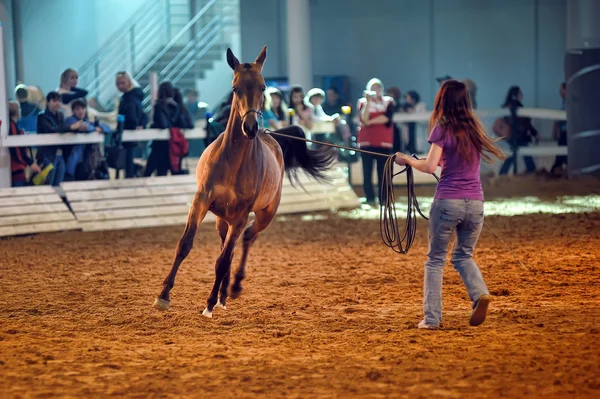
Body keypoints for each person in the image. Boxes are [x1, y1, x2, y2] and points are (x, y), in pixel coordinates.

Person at [394, 80, 505, 329]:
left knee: (435, 260)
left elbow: (430, 167)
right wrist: (423, 161)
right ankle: (479, 294)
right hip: (475, 202)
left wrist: (407, 161)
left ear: (442, 100)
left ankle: (432, 318)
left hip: (447, 201)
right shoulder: (474, 129)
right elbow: (451, 162)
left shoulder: (442, 128)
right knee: (463, 256)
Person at [357, 78, 395, 206]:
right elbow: (363, 118)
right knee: (367, 172)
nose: (375, 90)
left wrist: (370, 122)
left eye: (378, 87)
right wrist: (368, 103)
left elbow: (387, 118)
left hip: (383, 142)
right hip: (366, 142)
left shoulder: (388, 101)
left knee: (383, 172)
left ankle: (384, 199)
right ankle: (370, 198)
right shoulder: (362, 102)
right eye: (373, 87)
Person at [495, 86, 539, 175]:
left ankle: (502, 174)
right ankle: (532, 171)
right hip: (518, 135)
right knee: (522, 154)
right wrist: (534, 133)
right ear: (515, 95)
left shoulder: (509, 107)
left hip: (514, 135)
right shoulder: (516, 107)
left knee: (514, 155)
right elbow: (525, 124)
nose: (522, 95)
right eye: (520, 93)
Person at [144, 82, 180, 177]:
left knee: (148, 171)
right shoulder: (176, 106)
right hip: (170, 144)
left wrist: (152, 126)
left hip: (158, 145)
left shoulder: (158, 106)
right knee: (162, 172)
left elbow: (161, 123)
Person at [116, 71, 146, 178]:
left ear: (129, 82)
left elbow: (132, 116)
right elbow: (143, 114)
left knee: (127, 158)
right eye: (118, 83)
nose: (120, 86)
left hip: (128, 131)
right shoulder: (133, 97)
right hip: (130, 131)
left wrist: (131, 125)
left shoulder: (129, 98)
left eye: (122, 83)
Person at [36, 91, 67, 186]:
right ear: (47, 102)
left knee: (59, 184)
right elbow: (52, 130)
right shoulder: (42, 116)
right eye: (54, 101)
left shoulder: (61, 115)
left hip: (60, 154)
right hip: (47, 155)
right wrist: (70, 127)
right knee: (47, 184)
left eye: (59, 101)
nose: (57, 103)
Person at [8, 101, 41, 186]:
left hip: (18, 167)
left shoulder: (14, 126)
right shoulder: (12, 126)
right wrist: (30, 163)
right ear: (17, 111)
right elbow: (16, 149)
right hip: (17, 168)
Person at [550, 82, 567, 176]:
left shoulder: (567, 101)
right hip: (564, 131)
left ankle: (554, 172)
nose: (560, 92)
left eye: (561, 90)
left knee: (561, 155)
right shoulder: (564, 101)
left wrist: (557, 120)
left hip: (566, 132)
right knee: (562, 154)